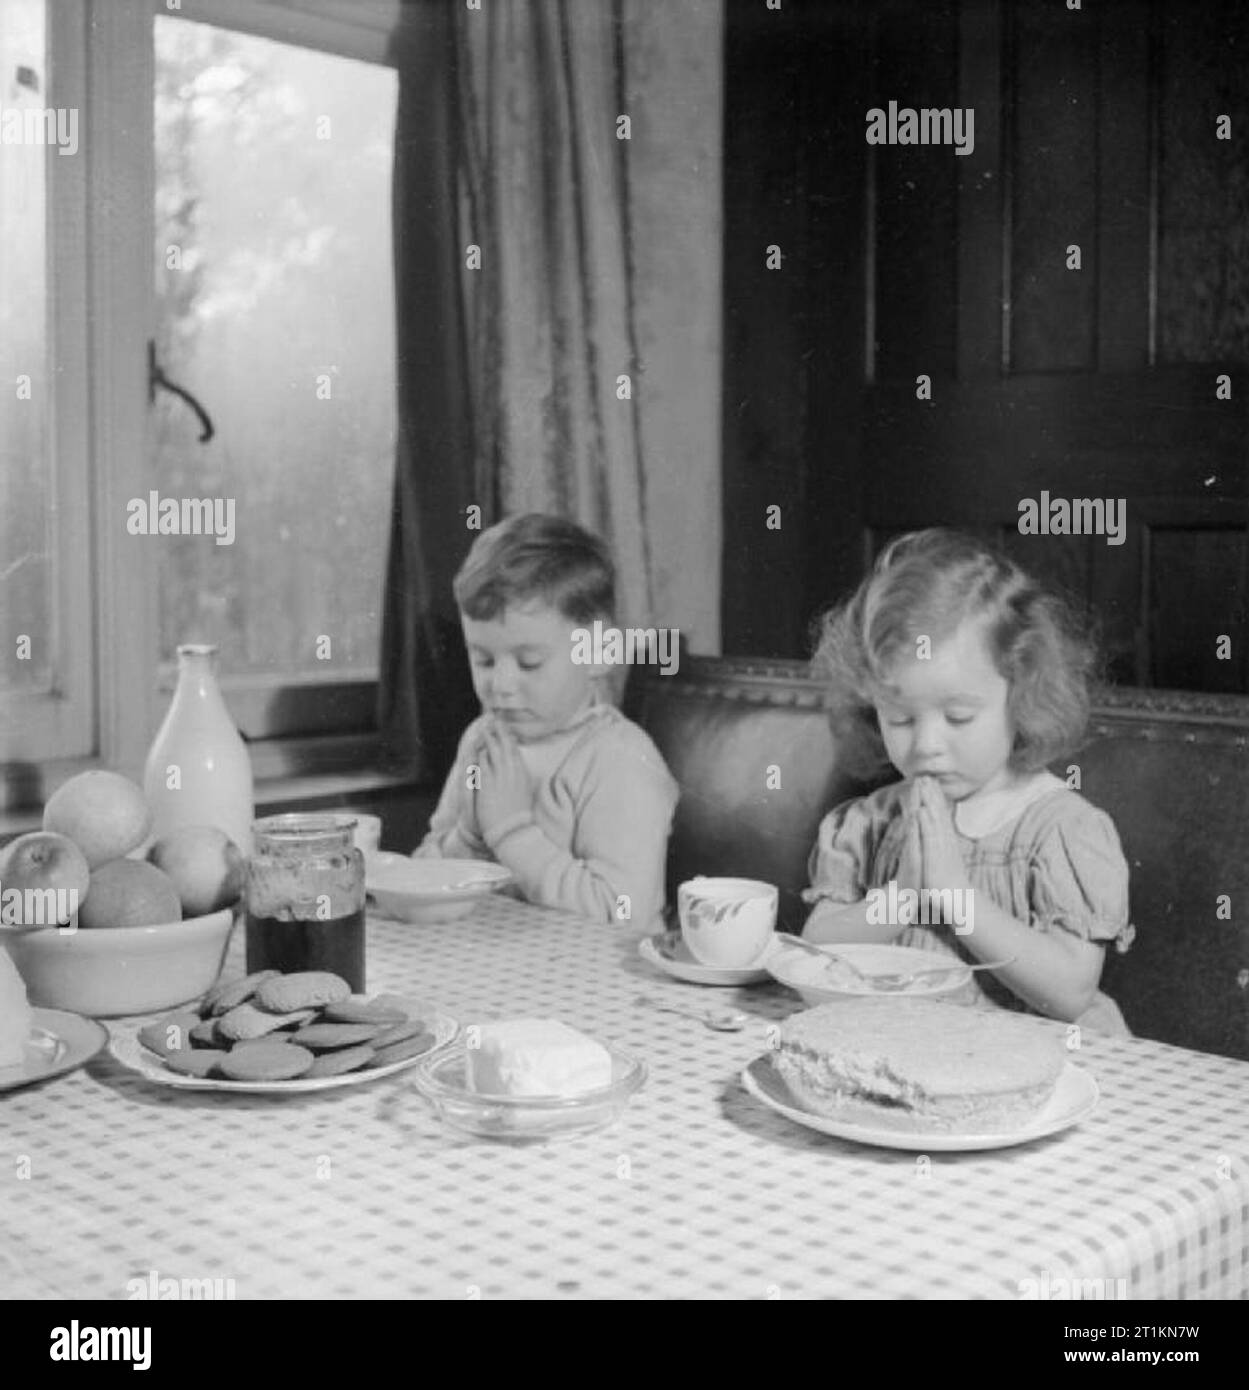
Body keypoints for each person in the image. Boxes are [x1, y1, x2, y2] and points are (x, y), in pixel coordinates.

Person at [803, 528, 1134, 1034]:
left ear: (1023, 695)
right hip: (906, 1055)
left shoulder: (1062, 830)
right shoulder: (870, 823)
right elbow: (817, 951)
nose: (927, 745)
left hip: (1033, 1066)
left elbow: (1070, 993)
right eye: (900, 719)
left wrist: (954, 893)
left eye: (958, 717)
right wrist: (905, 895)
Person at [413, 512, 679, 928]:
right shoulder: (482, 740)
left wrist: (510, 832)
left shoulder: (620, 760)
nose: (499, 685)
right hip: (496, 971)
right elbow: (426, 872)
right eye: (482, 659)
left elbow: (622, 912)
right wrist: (468, 835)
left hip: (601, 983)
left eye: (529, 662)